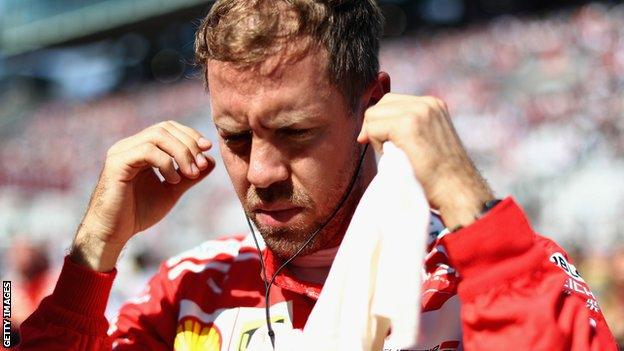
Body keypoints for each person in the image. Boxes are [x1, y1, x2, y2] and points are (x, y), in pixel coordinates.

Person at [18, 0, 617, 350]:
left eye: (295, 132)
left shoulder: (478, 279)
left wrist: (466, 201)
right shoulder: (188, 291)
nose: (261, 172)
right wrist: (92, 253)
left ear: (372, 102)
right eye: (234, 137)